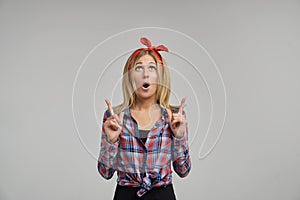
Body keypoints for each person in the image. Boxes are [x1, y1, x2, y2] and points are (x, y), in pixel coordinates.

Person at [97, 37, 191, 200]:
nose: (145, 74)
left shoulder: (173, 117)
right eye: (139, 68)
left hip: (163, 195)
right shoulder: (115, 117)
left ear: (160, 77)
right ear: (130, 77)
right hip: (126, 195)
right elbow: (105, 173)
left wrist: (179, 137)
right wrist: (111, 142)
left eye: (152, 68)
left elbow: (183, 171)